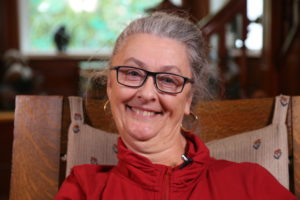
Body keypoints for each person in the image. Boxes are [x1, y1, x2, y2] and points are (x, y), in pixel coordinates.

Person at [55, 12, 297, 199]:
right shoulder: (84, 188)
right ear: (110, 85)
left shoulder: (249, 184)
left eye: (169, 79)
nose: (147, 93)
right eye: (131, 73)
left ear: (188, 99)